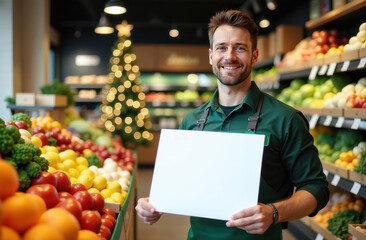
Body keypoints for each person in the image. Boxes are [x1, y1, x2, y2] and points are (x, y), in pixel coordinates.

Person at [135, 10, 329, 239]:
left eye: (240, 47)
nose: (230, 56)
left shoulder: (285, 119)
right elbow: (178, 189)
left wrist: (274, 212)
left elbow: (316, 188)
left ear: (254, 56)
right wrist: (153, 205)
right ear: (210, 56)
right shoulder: (191, 121)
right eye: (221, 47)